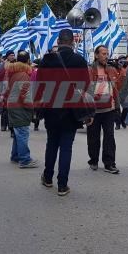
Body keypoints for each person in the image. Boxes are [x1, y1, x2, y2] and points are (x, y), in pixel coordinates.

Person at [36, 29, 91, 196]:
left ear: (58, 42)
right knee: (66, 147)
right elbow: (85, 85)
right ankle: (62, 185)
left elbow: (39, 85)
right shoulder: (79, 60)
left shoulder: (47, 59)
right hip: (71, 109)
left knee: (52, 143)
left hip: (51, 108)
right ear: (72, 42)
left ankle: (47, 177)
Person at [87, 45, 122, 174]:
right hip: (94, 110)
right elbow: (86, 90)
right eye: (103, 54)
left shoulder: (111, 70)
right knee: (93, 137)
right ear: (96, 55)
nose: (106, 56)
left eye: (107, 54)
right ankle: (93, 160)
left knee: (109, 137)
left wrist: (121, 71)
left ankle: (109, 163)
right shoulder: (90, 70)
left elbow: (118, 87)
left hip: (109, 109)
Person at [5, 51, 38, 168]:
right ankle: (24, 159)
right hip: (19, 106)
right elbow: (25, 94)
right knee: (23, 133)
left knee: (18, 132)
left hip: (12, 104)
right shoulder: (24, 74)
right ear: (28, 60)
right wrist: (31, 107)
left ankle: (16, 156)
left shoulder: (13, 72)